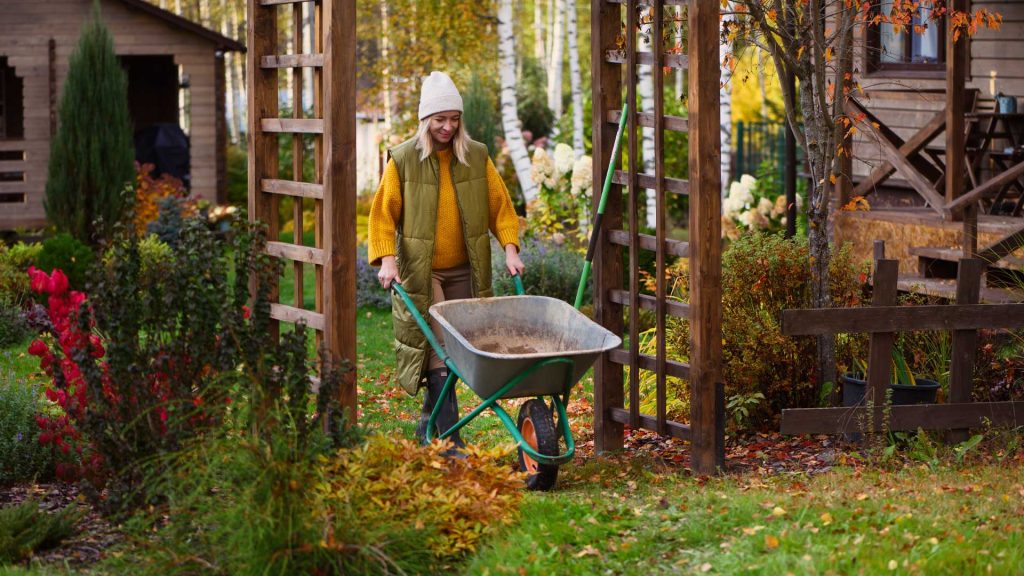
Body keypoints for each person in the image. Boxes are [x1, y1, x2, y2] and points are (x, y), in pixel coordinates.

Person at [368, 71, 525, 448]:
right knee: (443, 350)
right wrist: (387, 260)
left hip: (466, 269)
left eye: (454, 119)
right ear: (425, 120)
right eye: (440, 119)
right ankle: (452, 443)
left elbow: (500, 207)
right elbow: (382, 215)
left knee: (456, 351)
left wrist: (510, 249)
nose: (448, 127)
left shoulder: (476, 157)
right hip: (425, 273)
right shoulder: (404, 160)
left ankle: (429, 422)